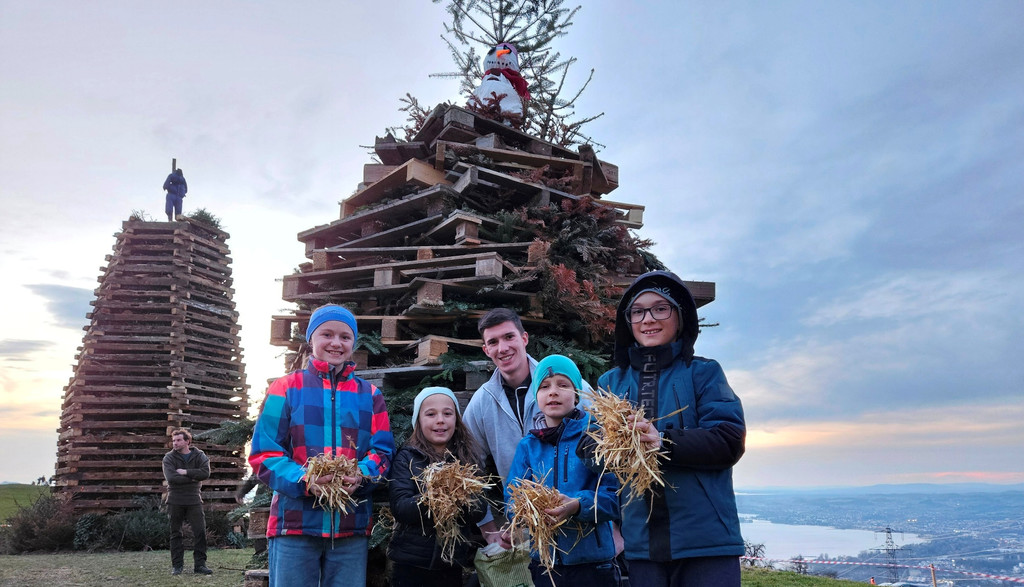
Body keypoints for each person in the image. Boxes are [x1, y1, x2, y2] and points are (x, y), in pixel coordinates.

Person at [591, 270, 746, 586]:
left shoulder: (703, 373)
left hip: (705, 544)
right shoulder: (611, 384)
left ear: (680, 317)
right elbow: (591, 448)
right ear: (628, 322)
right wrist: (609, 445)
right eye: (638, 311)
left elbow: (729, 440)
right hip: (642, 546)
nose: (648, 319)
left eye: (660, 308)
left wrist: (662, 441)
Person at [249, 304, 394, 587]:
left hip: (350, 527)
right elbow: (265, 452)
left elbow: (383, 452)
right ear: (311, 339)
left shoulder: (370, 395)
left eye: (345, 336)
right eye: (326, 334)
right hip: (294, 525)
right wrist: (305, 480)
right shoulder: (286, 388)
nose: (336, 343)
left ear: (354, 342)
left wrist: (362, 474)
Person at [504, 355, 621, 586]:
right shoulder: (528, 445)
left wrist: (578, 505)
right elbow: (512, 498)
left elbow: (615, 498)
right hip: (547, 564)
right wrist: (527, 513)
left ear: (577, 395)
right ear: (536, 397)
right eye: (544, 386)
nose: (553, 392)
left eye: (563, 385)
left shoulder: (597, 438)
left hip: (593, 564)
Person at [387, 387, 488, 587]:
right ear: (418, 421)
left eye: (448, 414)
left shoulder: (465, 459)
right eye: (431, 414)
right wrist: (434, 498)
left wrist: (461, 496)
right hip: (411, 564)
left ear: (457, 421)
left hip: (450, 564)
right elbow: (400, 508)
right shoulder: (407, 458)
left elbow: (480, 509)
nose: (440, 420)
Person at [162, 427, 213, 576]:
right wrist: (193, 478)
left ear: (187, 442)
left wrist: (186, 472)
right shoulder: (169, 458)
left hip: (194, 499)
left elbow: (205, 473)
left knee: (200, 532)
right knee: (175, 533)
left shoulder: (199, 455)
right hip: (175, 499)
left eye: (178, 440)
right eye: (173, 441)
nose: (175, 443)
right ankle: (177, 566)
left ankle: (200, 565)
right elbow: (171, 478)